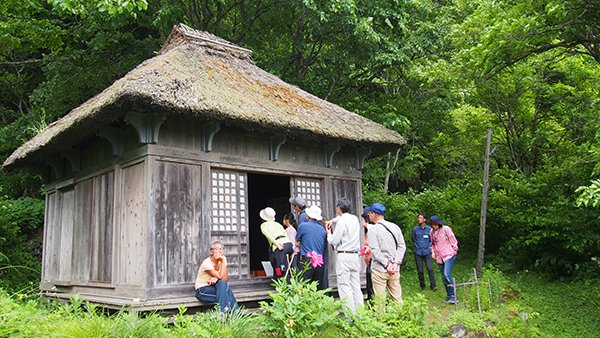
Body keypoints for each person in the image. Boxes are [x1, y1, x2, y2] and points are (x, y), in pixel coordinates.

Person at [325, 198, 364, 312]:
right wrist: (334, 220)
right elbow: (343, 218)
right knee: (356, 286)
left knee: (344, 286)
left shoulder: (341, 222)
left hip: (344, 255)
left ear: (339, 208)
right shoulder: (355, 219)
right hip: (354, 256)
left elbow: (334, 241)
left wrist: (329, 234)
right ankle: (360, 313)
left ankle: (350, 316)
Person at [366, 202, 406, 303]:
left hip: (379, 269)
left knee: (380, 300)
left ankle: (381, 318)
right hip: (394, 269)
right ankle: (402, 316)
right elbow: (402, 246)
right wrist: (395, 264)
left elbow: (375, 250)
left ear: (374, 214)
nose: (369, 215)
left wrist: (386, 265)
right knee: (397, 298)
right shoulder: (395, 227)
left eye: (369, 213)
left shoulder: (373, 230)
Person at [195, 241, 239, 313]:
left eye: (221, 249)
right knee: (226, 292)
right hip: (202, 290)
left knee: (223, 284)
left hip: (214, 287)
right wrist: (219, 277)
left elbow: (225, 279)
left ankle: (223, 313)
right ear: (211, 252)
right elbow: (222, 277)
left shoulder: (223, 259)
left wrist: (217, 277)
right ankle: (234, 316)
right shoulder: (207, 263)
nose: (219, 251)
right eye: (217, 249)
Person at [429, 215, 459, 304]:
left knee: (447, 274)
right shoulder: (431, 232)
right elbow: (432, 244)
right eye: (433, 225)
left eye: (435, 225)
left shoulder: (446, 229)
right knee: (443, 277)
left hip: (448, 255)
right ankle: (449, 295)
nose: (434, 227)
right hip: (439, 257)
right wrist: (433, 252)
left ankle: (454, 295)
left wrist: (454, 251)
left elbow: (453, 240)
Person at [295, 205, 327, 290]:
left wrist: (303, 242)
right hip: (319, 261)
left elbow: (296, 242)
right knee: (317, 289)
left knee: (304, 288)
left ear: (308, 216)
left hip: (307, 260)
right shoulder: (322, 230)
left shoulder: (303, 226)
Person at [260, 207, 293, 279]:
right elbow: (285, 234)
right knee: (283, 265)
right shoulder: (278, 224)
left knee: (280, 268)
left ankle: (283, 286)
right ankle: (278, 281)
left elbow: (269, 236)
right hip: (288, 244)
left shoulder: (264, 225)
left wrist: (276, 243)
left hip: (280, 245)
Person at [412, 213, 437, 291]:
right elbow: (413, 239)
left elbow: (432, 240)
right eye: (418, 218)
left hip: (427, 251)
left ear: (425, 219)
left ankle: (433, 285)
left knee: (430, 268)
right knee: (420, 270)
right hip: (418, 251)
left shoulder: (429, 229)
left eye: (421, 218)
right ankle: (422, 286)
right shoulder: (415, 229)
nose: (419, 219)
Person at [359, 212, 374, 300]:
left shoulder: (371, 231)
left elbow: (368, 247)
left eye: (362, 220)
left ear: (367, 221)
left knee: (370, 286)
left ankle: (372, 304)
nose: (361, 221)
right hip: (368, 262)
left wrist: (357, 253)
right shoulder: (367, 232)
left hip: (372, 261)